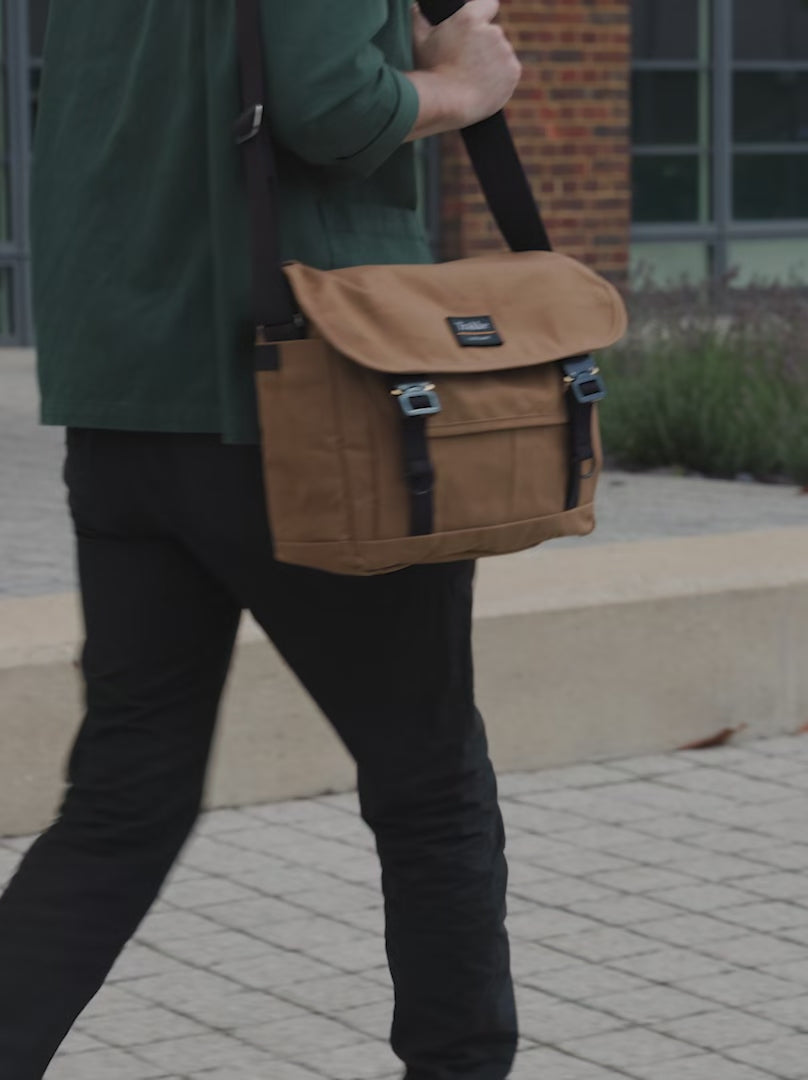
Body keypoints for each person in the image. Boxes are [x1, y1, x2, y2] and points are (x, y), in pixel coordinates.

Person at [0, 2, 523, 1076]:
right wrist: (463, 87)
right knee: (430, 785)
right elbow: (331, 107)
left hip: (127, 413)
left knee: (121, 802)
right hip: (303, 406)